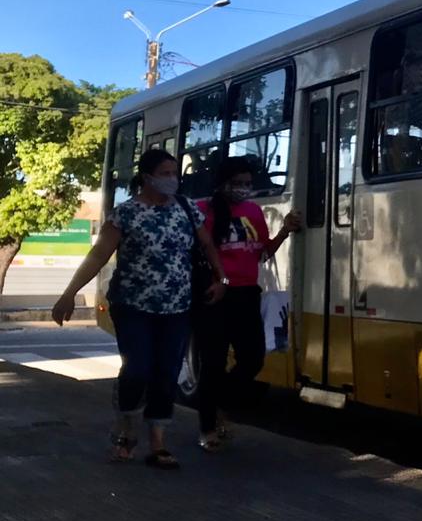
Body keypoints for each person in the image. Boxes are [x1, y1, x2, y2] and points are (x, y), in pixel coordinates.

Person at [52, 149, 227, 469]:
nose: (172, 179)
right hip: (133, 306)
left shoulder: (187, 210)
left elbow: (207, 245)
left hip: (176, 307)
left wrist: (221, 278)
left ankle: (158, 443)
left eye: (175, 173)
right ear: (146, 176)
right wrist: (69, 293)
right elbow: (98, 255)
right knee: (137, 369)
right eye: (165, 173)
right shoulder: (126, 214)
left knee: (166, 374)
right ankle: (125, 428)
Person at [194, 157, 301, 451]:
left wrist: (284, 231)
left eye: (248, 184)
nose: (243, 189)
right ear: (222, 183)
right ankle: (207, 428)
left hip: (247, 295)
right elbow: (199, 254)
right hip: (215, 296)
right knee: (213, 364)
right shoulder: (204, 211)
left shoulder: (253, 211)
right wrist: (217, 282)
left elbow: (262, 252)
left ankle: (218, 405)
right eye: (238, 183)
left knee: (253, 359)